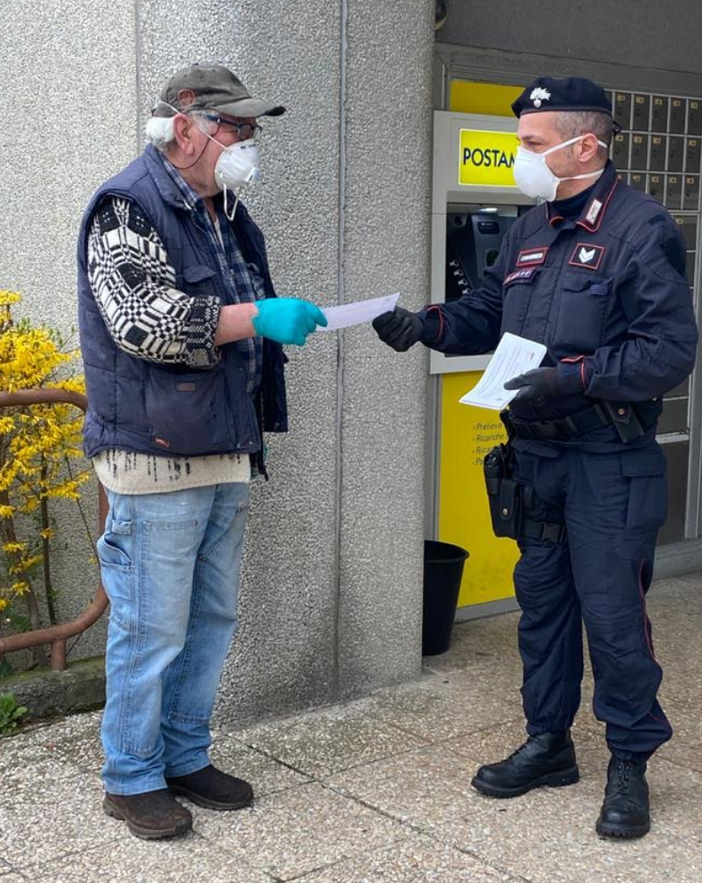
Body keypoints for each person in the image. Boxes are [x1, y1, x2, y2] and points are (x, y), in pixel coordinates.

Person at [373, 76, 698, 839]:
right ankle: (549, 743)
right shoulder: (529, 228)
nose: (520, 155)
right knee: (543, 609)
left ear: (585, 146)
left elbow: (668, 350)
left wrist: (573, 377)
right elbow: (489, 312)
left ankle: (629, 759)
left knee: (613, 618)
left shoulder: (640, 228)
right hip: (537, 458)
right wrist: (427, 324)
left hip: (606, 458)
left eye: (531, 143)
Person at [77, 63, 327, 840]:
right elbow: (141, 320)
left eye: (252, 130)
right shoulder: (128, 205)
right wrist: (257, 317)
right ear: (183, 128)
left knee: (210, 617)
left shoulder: (227, 211)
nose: (248, 142)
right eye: (235, 128)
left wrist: (265, 323)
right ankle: (130, 775)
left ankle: (183, 754)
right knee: (152, 626)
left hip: (222, 445)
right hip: (154, 454)